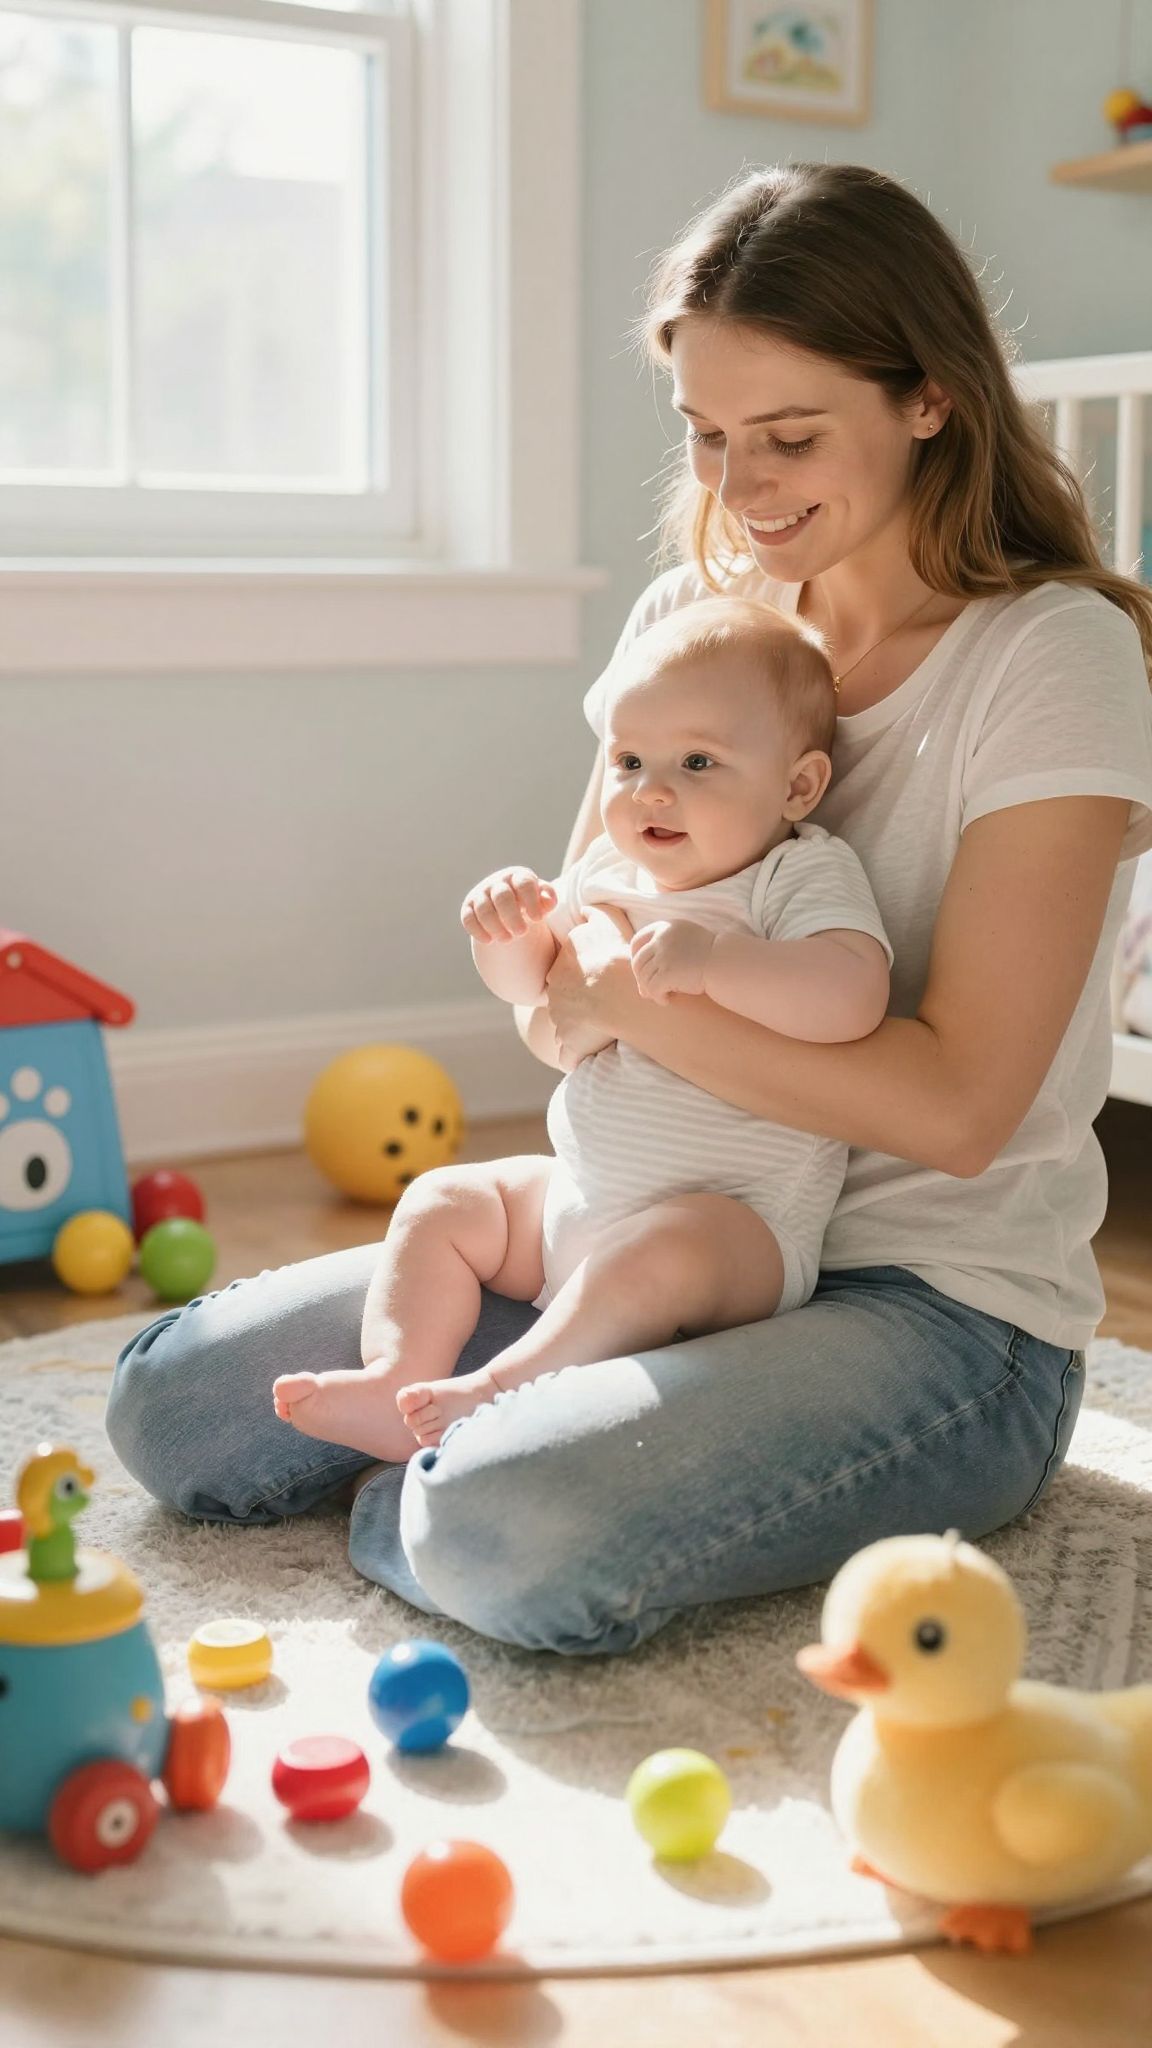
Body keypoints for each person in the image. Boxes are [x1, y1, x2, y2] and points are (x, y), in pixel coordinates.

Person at [106, 161, 1152, 1660]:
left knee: (502, 1521)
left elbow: (958, 1110)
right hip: (641, 1224)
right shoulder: (697, 628)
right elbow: (565, 1004)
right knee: (176, 1409)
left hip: (936, 1314)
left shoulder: (1052, 654)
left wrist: (625, 1005)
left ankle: (461, 1482)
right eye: (709, 436)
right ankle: (480, 1447)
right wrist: (555, 985)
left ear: (931, 398)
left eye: (789, 436)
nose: (740, 487)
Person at [269, 598, 891, 1458]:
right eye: (629, 760)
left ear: (798, 785)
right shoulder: (609, 870)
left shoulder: (795, 874)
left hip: (735, 1234)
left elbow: (853, 994)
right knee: (445, 1199)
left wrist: (715, 963)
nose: (651, 791)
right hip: (577, 1201)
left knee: (664, 1249)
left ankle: (497, 1390)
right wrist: (511, 934)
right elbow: (539, 995)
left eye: (698, 761)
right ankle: (396, 1375)